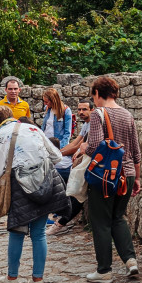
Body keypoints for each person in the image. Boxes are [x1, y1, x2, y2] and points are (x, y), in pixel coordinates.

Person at [0, 104, 66, 283]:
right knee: (38, 234)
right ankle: (38, 279)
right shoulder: (33, 128)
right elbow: (57, 156)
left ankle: (12, 278)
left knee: (16, 232)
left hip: (18, 187)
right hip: (43, 184)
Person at [85, 76, 141, 283]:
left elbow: (96, 146)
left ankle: (104, 271)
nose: (94, 100)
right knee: (119, 217)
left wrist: (83, 148)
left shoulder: (98, 114)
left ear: (98, 93)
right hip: (127, 174)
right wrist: (137, 177)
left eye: (94, 96)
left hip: (106, 176)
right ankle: (130, 261)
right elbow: (136, 150)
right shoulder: (127, 115)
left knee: (100, 222)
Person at [52, 99, 91, 232]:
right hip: (81, 162)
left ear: (92, 109)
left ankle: (61, 222)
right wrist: (58, 153)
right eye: (79, 109)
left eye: (84, 109)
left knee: (76, 191)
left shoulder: (92, 125)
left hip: (89, 164)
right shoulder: (86, 124)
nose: (81, 112)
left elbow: (75, 148)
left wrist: (56, 155)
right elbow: (75, 143)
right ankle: (62, 216)